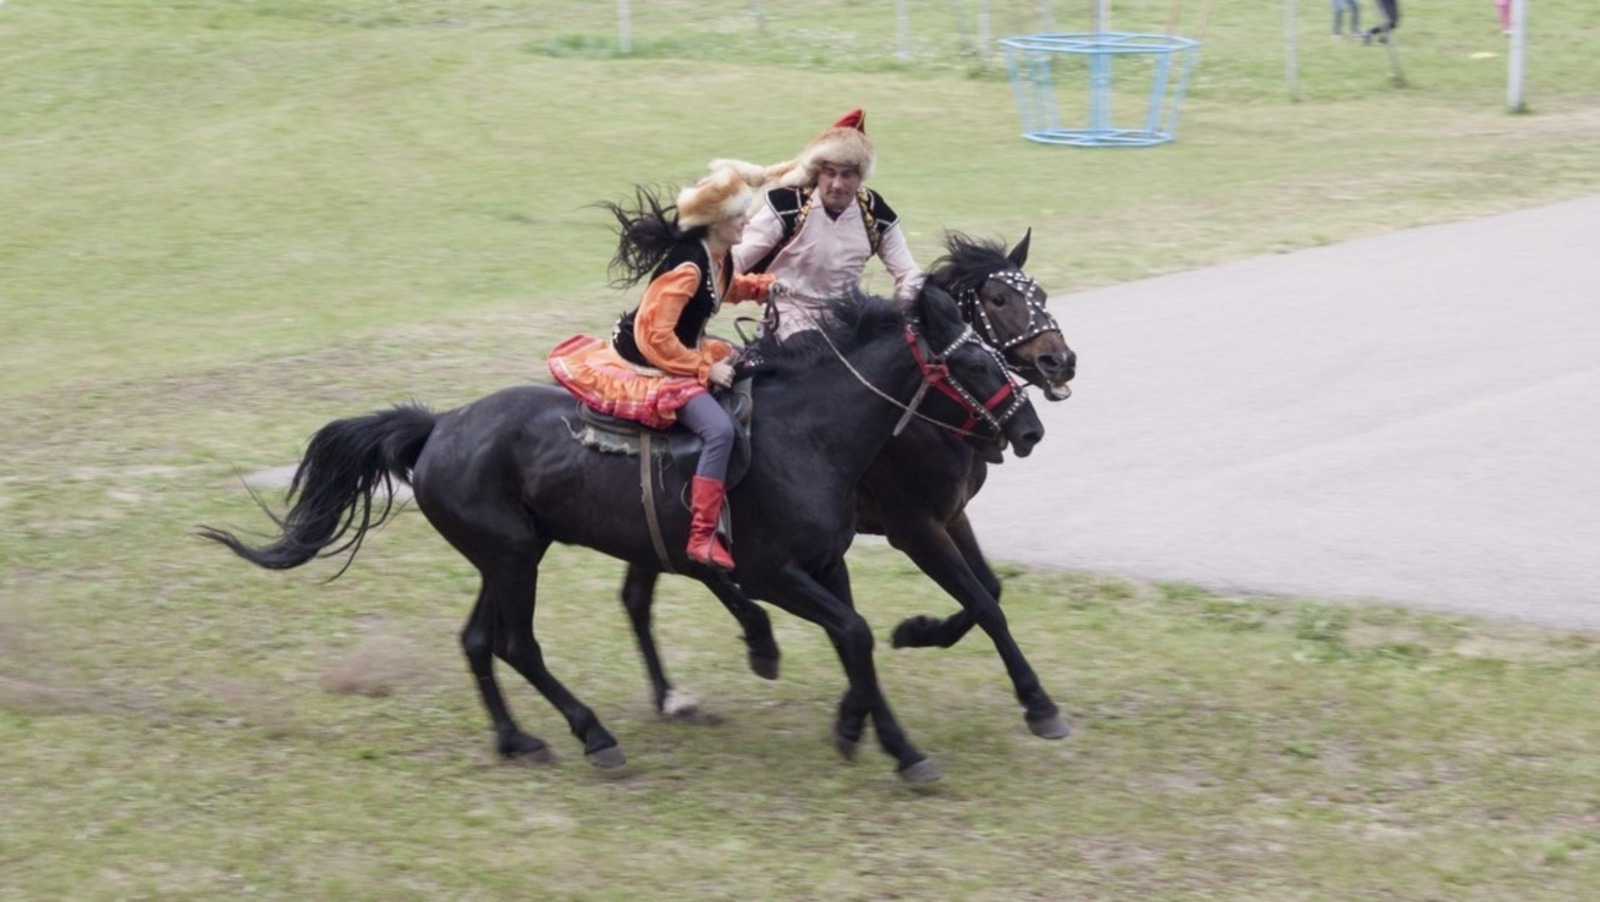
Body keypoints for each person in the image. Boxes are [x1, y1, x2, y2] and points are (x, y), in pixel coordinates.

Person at [548, 165, 776, 570]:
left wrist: (763, 288)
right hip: (652, 363)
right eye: (740, 214)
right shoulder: (687, 267)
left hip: (681, 349)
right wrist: (704, 369)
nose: (747, 220)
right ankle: (702, 535)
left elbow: (722, 289)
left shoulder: (716, 256)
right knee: (719, 431)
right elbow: (654, 336)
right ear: (717, 221)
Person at [715, 109, 924, 341]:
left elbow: (908, 272)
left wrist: (905, 314)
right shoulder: (788, 206)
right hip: (788, 320)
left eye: (847, 175)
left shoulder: (874, 212)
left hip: (848, 322)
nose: (837, 185)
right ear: (818, 173)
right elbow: (735, 259)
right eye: (830, 173)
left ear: (860, 177)